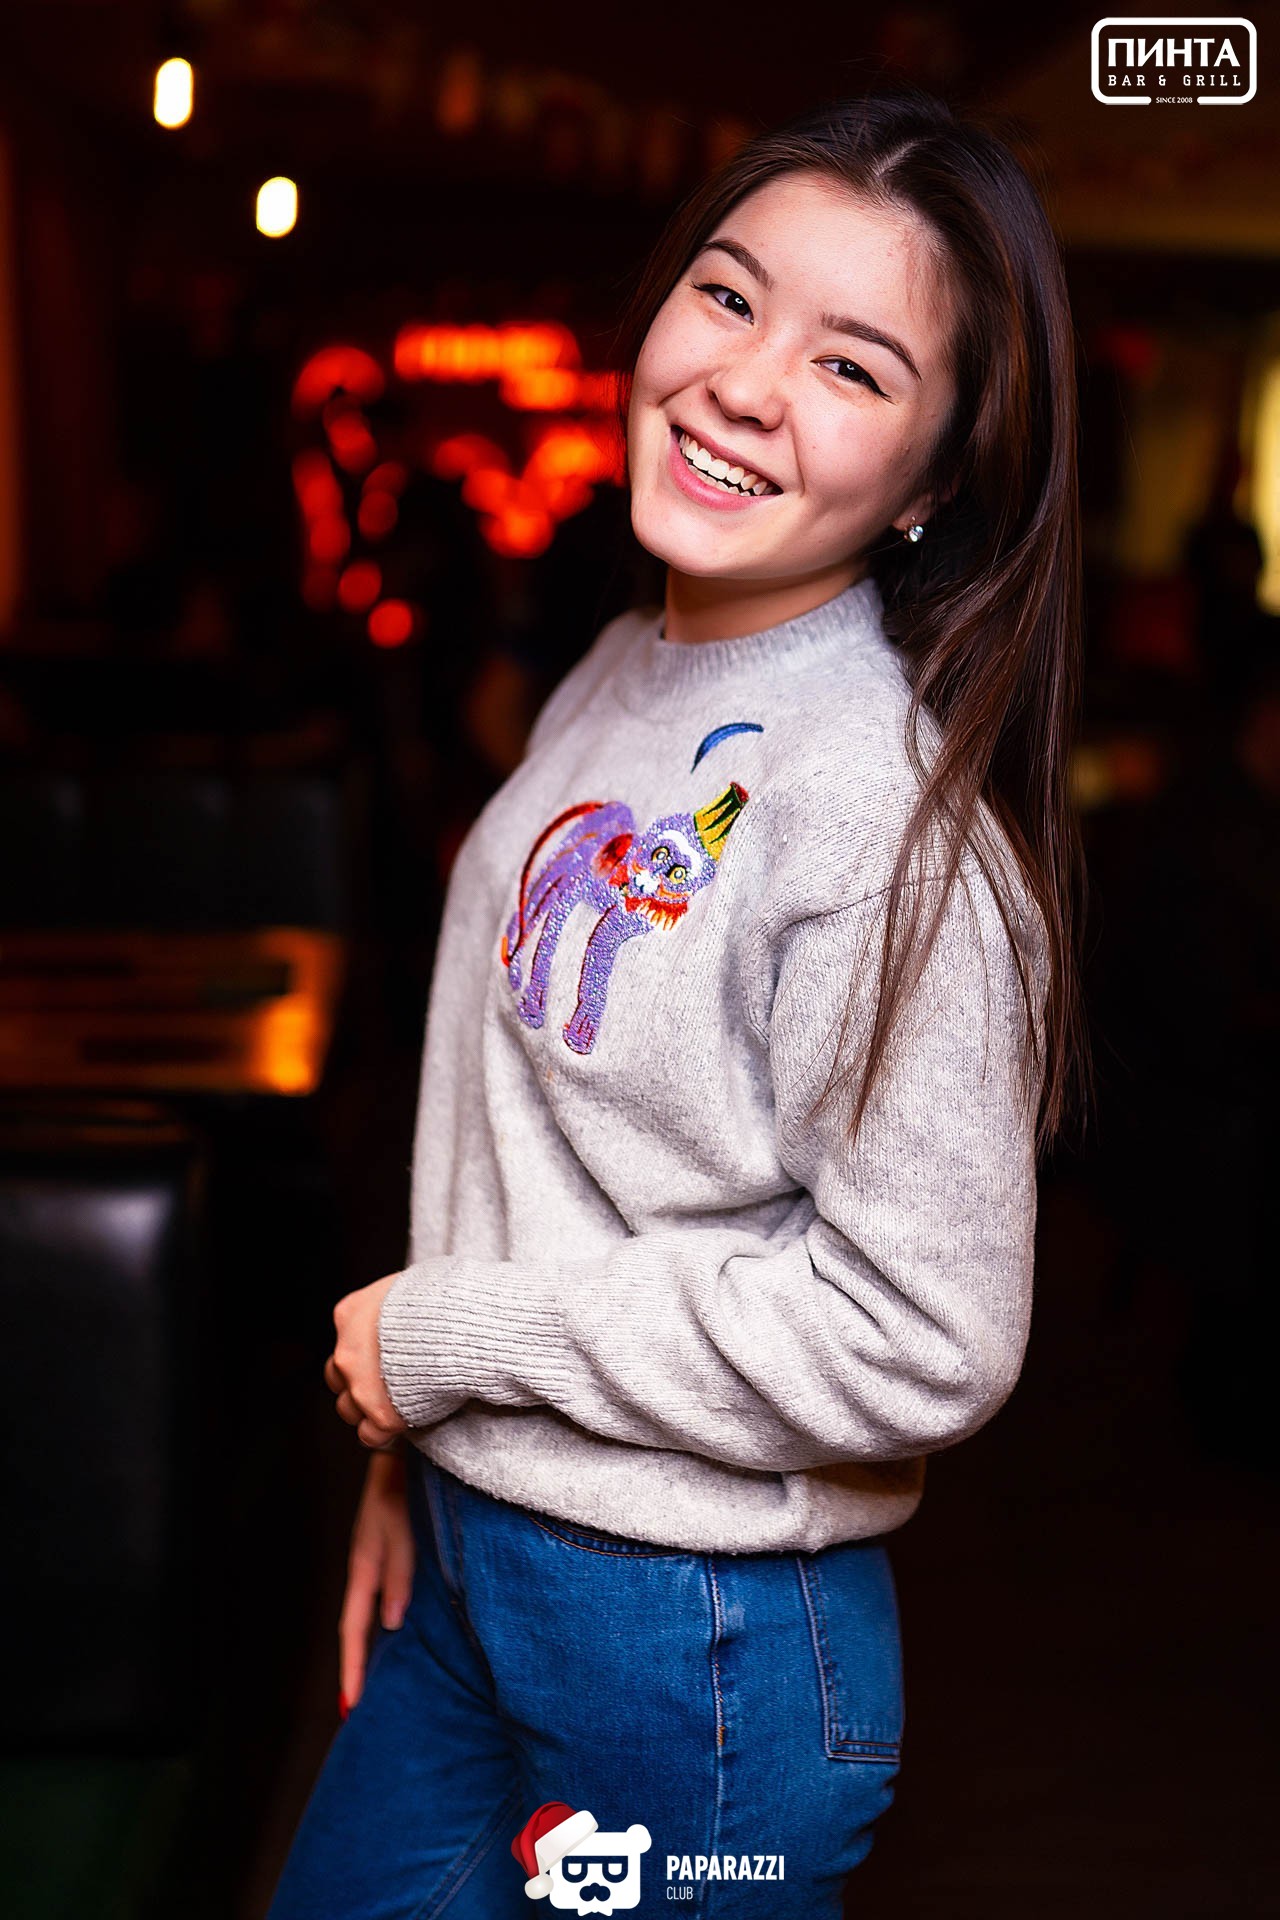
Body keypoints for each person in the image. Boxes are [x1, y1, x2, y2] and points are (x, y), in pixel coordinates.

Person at [268, 86, 1089, 1919]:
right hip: (477, 1567)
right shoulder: (622, 669)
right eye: (728, 295)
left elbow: (927, 1330)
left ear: (934, 483)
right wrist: (421, 1448)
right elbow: (531, 1134)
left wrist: (454, 1343)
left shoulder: (880, 817)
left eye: (853, 366)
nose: (743, 382)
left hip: (692, 1644)